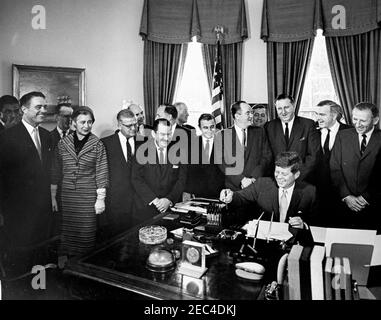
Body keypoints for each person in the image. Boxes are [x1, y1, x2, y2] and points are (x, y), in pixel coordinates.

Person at [0, 91, 52, 277]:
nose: (43, 110)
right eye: (38, 107)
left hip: (42, 214)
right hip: (18, 215)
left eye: (45, 106)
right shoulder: (7, 138)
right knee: (20, 265)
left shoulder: (46, 136)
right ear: (24, 109)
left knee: (40, 262)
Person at [51, 106, 108, 258]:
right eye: (82, 122)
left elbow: (101, 172)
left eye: (90, 122)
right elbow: (55, 171)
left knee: (86, 235)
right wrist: (52, 196)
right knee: (67, 235)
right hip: (68, 197)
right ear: (74, 123)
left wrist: (100, 199)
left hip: (88, 198)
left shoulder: (97, 144)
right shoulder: (63, 144)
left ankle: (82, 270)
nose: (86, 126)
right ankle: (67, 271)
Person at [220, 152, 317, 240]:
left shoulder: (309, 192)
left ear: (296, 175)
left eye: (284, 174)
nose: (279, 177)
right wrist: (231, 196)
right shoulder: (262, 184)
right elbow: (241, 197)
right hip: (265, 244)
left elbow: (318, 224)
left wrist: (304, 225)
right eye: (277, 172)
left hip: (294, 246)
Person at [330, 102, 381, 230]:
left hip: (374, 208)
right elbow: (335, 168)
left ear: (375, 120)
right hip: (344, 206)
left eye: (363, 120)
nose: (357, 124)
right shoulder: (343, 136)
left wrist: (366, 198)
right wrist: (346, 196)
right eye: (355, 119)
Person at [131, 118, 187, 224]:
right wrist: (155, 201)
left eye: (169, 134)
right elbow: (136, 179)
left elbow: (181, 179)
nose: (166, 138)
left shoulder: (180, 151)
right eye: (162, 134)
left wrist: (168, 200)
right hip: (144, 209)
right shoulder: (141, 150)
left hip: (170, 210)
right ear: (153, 133)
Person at [264, 94, 322, 184]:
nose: (283, 112)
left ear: (293, 106)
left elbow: (313, 156)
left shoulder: (308, 124)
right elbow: (267, 156)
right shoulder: (269, 126)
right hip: (278, 181)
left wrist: (296, 176)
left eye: (286, 107)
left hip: (302, 180)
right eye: (279, 109)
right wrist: (279, 178)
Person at [219, 101, 272, 191]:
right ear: (237, 116)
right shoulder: (222, 135)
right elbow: (222, 163)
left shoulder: (260, 132)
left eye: (251, 113)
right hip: (234, 188)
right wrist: (241, 180)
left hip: (256, 186)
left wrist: (253, 178)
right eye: (248, 113)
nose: (251, 116)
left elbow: (266, 157)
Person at [314, 100, 352, 226]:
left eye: (322, 115)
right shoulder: (313, 132)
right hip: (319, 194)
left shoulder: (350, 132)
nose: (318, 118)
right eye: (317, 114)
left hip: (344, 194)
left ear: (334, 115)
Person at [101, 109, 137, 237]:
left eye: (135, 124)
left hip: (138, 204)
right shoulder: (105, 143)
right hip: (115, 204)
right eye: (129, 126)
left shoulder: (143, 143)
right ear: (119, 125)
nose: (133, 128)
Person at [185, 113, 224, 198]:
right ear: (200, 128)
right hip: (197, 193)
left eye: (212, 127)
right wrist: (187, 191)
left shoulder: (224, 143)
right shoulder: (191, 143)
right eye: (205, 127)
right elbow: (188, 170)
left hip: (219, 192)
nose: (209, 130)